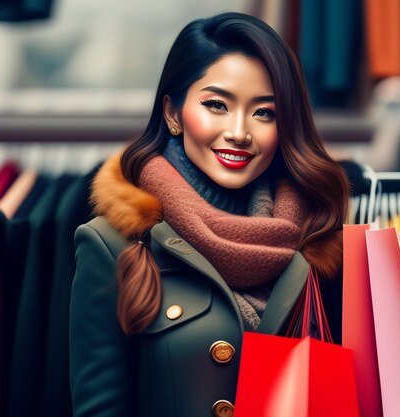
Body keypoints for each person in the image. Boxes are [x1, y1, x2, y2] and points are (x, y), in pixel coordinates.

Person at [69, 12, 349, 417]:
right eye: (217, 105)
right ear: (172, 113)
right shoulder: (112, 244)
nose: (239, 131)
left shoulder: (320, 239)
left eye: (264, 112)